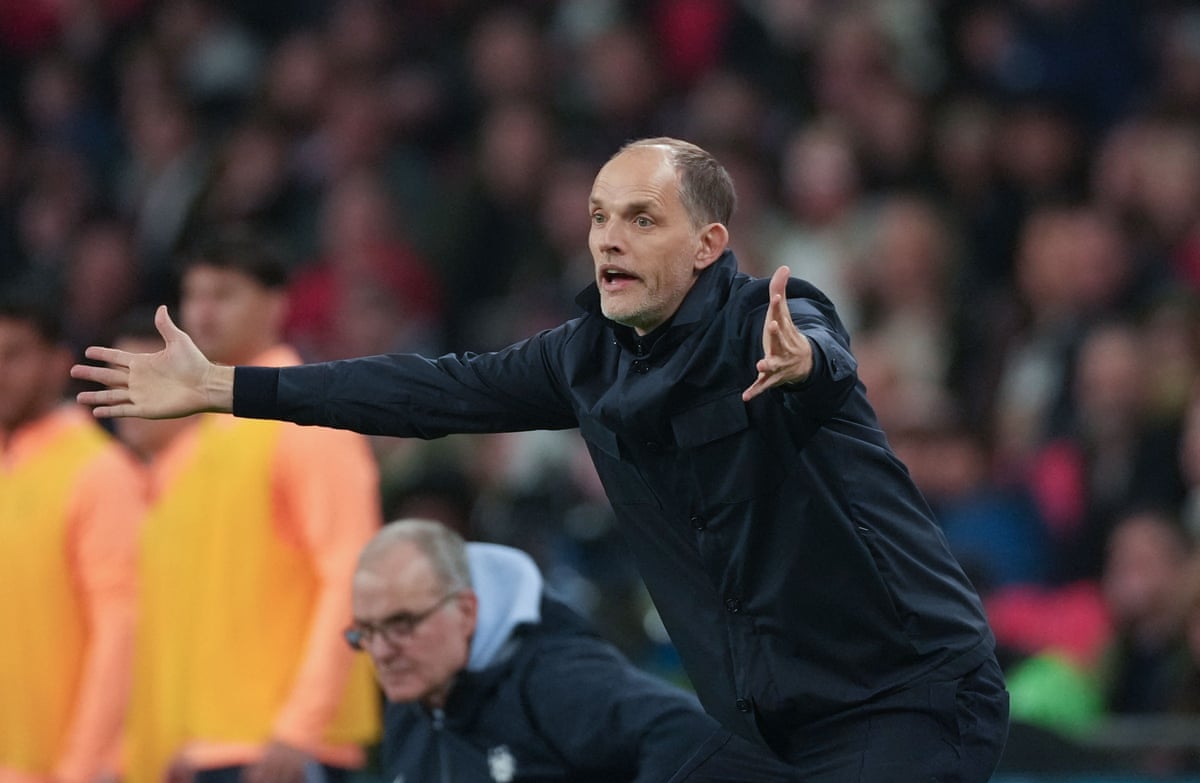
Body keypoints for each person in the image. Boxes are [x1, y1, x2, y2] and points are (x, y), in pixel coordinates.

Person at [73, 137, 1010, 781]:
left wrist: (806, 365)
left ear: (708, 245)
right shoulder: (580, 358)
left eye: (641, 218)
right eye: (600, 217)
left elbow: (824, 358)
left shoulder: (768, 320)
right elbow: (422, 393)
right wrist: (225, 386)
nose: (609, 237)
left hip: (902, 695)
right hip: (765, 720)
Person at [107, 229, 382, 783]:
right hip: (209, 750)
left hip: (283, 752)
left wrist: (299, 730)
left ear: (277, 304)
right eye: (194, 295)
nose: (203, 313)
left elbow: (350, 572)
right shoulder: (199, 439)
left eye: (224, 294)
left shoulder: (308, 421)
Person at [352, 518, 798, 782]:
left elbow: (697, 739)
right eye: (365, 632)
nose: (382, 652)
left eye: (402, 624)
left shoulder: (555, 678)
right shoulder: (411, 701)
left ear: (466, 611)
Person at [0, 282, 146, 783]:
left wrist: (82, 765)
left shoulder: (99, 472)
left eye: (14, 356)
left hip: (62, 770)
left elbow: (120, 631)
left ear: (57, 361)